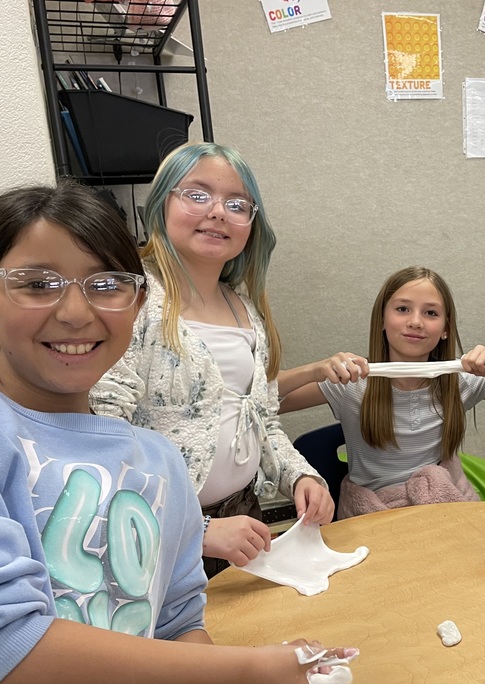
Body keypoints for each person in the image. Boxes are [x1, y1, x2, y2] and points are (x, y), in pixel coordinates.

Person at [0, 181, 354, 684]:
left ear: (136, 304)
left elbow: (173, 629)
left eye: (106, 285)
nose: (75, 312)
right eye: (37, 284)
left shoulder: (158, 462)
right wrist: (246, 668)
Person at [91, 142, 333, 577]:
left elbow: (261, 418)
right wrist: (197, 528)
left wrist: (299, 476)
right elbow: (101, 441)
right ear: (161, 203)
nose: (218, 212)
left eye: (237, 204)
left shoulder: (245, 310)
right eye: (197, 195)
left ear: (251, 225)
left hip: (242, 519)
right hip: (156, 531)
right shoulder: (133, 303)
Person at [278, 266, 485, 518]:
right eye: (402, 309)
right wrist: (313, 371)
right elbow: (260, 400)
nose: (415, 322)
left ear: (445, 329)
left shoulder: (460, 381)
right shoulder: (352, 383)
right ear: (381, 319)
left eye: (431, 313)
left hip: (444, 509)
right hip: (374, 515)